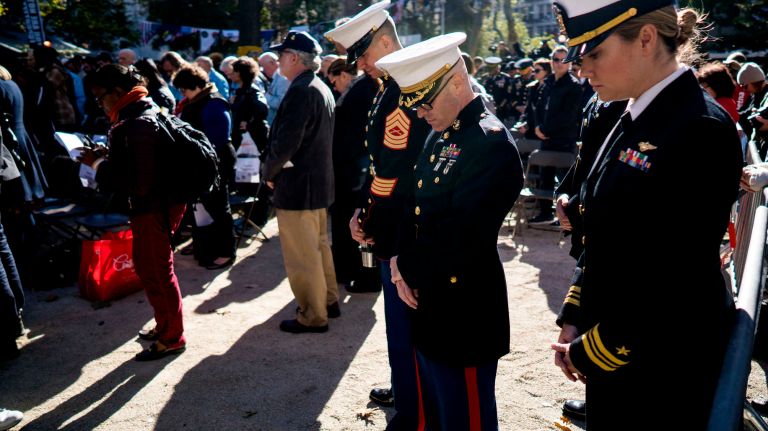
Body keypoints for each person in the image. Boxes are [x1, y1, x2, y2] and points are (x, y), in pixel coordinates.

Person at [549, 2, 742, 430]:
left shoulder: (699, 127)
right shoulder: (634, 113)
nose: (583, 69)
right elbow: (606, 233)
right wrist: (576, 311)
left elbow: (676, 274)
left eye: (594, 54)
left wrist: (590, 348)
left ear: (647, 39)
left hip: (661, 363)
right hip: (619, 347)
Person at [377, 32, 523, 429]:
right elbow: (415, 201)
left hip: (465, 308)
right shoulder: (442, 131)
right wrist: (397, 261)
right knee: (439, 411)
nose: (420, 113)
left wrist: (407, 264)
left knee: (467, 418)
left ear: (457, 82)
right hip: (430, 300)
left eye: (424, 102)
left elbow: (465, 233)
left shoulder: (488, 142)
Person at [324, 1, 431, 424]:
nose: (361, 65)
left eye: (364, 55)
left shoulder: (403, 89)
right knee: (397, 326)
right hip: (393, 220)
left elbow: (392, 173)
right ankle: (405, 389)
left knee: (406, 327)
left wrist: (366, 219)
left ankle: (413, 406)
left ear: (385, 42)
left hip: (403, 226)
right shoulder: (389, 87)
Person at [80, 64, 188, 361]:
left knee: (157, 270)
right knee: (146, 266)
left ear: (117, 92)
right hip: (153, 205)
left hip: (155, 207)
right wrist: (106, 158)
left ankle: (173, 337)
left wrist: (98, 166)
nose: (98, 104)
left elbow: (140, 183)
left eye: (100, 97)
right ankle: (165, 323)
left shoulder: (138, 121)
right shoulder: (135, 112)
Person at [262, 31, 339, 334]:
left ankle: (312, 314)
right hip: (316, 183)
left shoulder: (302, 89)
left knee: (303, 256)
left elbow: (286, 143)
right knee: (318, 248)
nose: (280, 59)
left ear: (294, 57)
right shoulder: (317, 86)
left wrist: (269, 173)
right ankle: (328, 301)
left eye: (282, 54)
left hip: (299, 186)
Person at [326, 57, 381, 293]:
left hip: (355, 170)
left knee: (357, 224)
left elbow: (360, 134)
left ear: (345, 75)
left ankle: (362, 274)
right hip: (351, 168)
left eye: (334, 80)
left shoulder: (363, 89)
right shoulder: (360, 88)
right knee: (348, 222)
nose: (334, 86)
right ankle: (350, 270)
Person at [172, 65, 236, 270]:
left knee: (218, 207)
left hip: (215, 162)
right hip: (200, 162)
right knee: (201, 206)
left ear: (195, 85)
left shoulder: (214, 102)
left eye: (184, 89)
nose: (183, 94)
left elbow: (217, 140)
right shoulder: (197, 101)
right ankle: (204, 245)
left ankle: (227, 252)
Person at [258, 52, 289, 126]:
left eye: (262, 66)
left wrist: (263, 95)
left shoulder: (283, 79)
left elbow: (281, 103)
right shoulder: (277, 77)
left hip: (277, 124)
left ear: (272, 63)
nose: (262, 70)